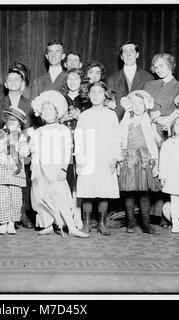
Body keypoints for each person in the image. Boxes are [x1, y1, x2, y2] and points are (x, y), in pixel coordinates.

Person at [29, 90, 89, 238]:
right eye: (44, 109)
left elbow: (66, 151)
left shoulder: (62, 129)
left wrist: (63, 169)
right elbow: (34, 151)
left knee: (60, 197)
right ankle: (47, 225)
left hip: (56, 169)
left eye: (50, 109)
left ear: (57, 112)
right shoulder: (39, 131)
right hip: (41, 169)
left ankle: (72, 227)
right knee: (42, 196)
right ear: (40, 113)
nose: (47, 112)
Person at [143, 53, 179, 227]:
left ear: (171, 65)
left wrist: (166, 118)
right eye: (156, 67)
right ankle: (150, 215)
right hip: (149, 133)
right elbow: (143, 107)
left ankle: (164, 215)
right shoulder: (149, 85)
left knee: (167, 173)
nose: (158, 69)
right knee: (151, 172)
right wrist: (152, 117)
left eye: (162, 65)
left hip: (169, 135)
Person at [74, 81, 121, 236]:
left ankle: (102, 223)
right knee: (87, 191)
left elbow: (116, 138)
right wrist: (80, 159)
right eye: (92, 92)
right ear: (88, 95)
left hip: (105, 158)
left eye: (99, 92)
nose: (95, 95)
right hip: (88, 158)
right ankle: (86, 223)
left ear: (105, 95)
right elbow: (79, 138)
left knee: (104, 191)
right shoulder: (84, 115)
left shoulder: (111, 114)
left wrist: (115, 158)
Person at [0, 65, 34, 229]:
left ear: (22, 83)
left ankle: (21, 213)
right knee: (3, 185)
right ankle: (2, 217)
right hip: (4, 147)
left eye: (17, 79)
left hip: (22, 144)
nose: (13, 82)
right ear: (5, 83)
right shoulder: (0, 103)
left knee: (21, 182)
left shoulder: (30, 102)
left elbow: (32, 126)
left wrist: (24, 141)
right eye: (9, 79)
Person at [118, 90, 161, 234]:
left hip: (144, 159)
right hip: (129, 159)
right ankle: (130, 223)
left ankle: (146, 224)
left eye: (140, 103)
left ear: (146, 104)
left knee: (144, 194)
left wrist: (156, 161)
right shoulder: (126, 120)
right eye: (134, 103)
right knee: (129, 193)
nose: (137, 106)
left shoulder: (149, 121)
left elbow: (153, 143)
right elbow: (120, 140)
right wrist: (119, 160)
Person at [0, 107, 30, 235]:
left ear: (20, 124)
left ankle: (12, 222)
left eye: (15, 121)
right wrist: (2, 141)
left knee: (16, 198)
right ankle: (3, 223)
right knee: (1, 198)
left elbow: (25, 153)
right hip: (0, 172)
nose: (11, 123)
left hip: (15, 172)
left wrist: (18, 145)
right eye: (9, 121)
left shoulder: (22, 138)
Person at [59, 68, 88, 229]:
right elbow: (52, 119)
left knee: (79, 179)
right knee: (66, 177)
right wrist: (62, 118)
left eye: (76, 78)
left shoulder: (86, 100)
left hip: (82, 143)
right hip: (64, 143)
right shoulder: (60, 98)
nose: (72, 81)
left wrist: (79, 117)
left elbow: (91, 122)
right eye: (69, 78)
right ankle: (65, 214)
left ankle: (77, 214)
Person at [107, 40, 153, 120]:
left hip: (140, 124)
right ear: (121, 57)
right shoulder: (111, 80)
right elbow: (109, 104)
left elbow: (150, 105)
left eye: (132, 51)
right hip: (119, 124)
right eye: (125, 51)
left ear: (137, 54)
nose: (128, 54)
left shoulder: (148, 78)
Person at [29, 40, 67, 128]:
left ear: (63, 56)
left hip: (63, 128)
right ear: (47, 56)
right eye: (50, 52)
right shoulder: (38, 81)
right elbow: (32, 110)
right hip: (43, 128)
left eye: (57, 51)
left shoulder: (69, 79)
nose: (53, 55)